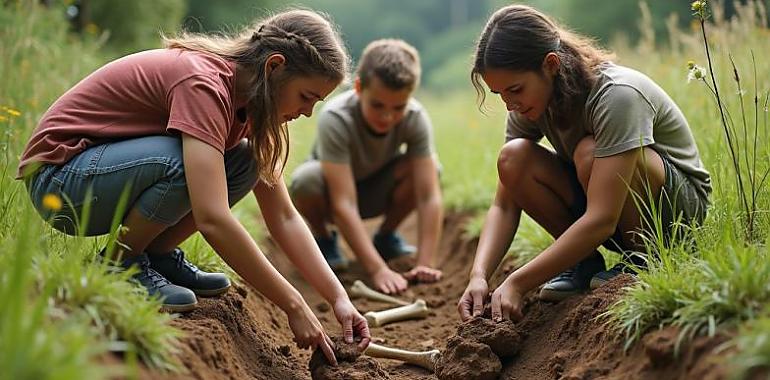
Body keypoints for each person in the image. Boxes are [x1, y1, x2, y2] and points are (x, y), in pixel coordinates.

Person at [18, 10, 370, 364]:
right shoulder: (203, 84)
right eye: (306, 96)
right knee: (183, 164)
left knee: (246, 161)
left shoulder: (249, 101)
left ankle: (153, 254)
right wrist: (293, 304)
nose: (307, 112)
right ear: (275, 67)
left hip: (99, 176)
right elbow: (212, 217)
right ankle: (119, 263)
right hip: (60, 182)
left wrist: (337, 298)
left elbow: (284, 216)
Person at [457, 4, 711, 322]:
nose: (510, 103)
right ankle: (584, 263)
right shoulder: (530, 105)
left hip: (675, 214)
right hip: (607, 204)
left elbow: (603, 219)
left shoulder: (617, 95)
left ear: (550, 65)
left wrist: (518, 283)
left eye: (515, 90)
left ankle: (644, 259)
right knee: (513, 159)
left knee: (588, 152)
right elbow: (504, 205)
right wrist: (479, 275)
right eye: (499, 94)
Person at [289, 39, 444, 295]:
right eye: (378, 105)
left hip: (376, 190)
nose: (387, 117)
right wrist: (377, 270)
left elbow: (428, 195)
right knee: (306, 180)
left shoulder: (416, 118)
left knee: (430, 170)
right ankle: (325, 239)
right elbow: (344, 203)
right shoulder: (336, 117)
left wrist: (425, 264)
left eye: (398, 108)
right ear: (359, 87)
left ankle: (386, 237)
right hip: (332, 193)